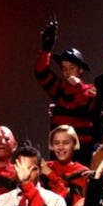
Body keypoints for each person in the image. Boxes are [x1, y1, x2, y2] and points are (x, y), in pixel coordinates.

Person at [34, 19, 96, 166]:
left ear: (80, 70)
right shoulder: (59, 87)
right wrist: (46, 50)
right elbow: (41, 73)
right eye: (64, 68)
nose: (67, 73)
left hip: (82, 152)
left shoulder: (90, 90)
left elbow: (86, 105)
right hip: (58, 150)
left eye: (72, 68)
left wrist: (79, 86)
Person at [41, 125, 91, 206]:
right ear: (52, 146)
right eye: (56, 143)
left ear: (74, 144)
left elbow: (70, 203)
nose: (61, 147)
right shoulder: (45, 167)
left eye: (66, 143)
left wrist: (51, 175)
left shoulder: (82, 172)